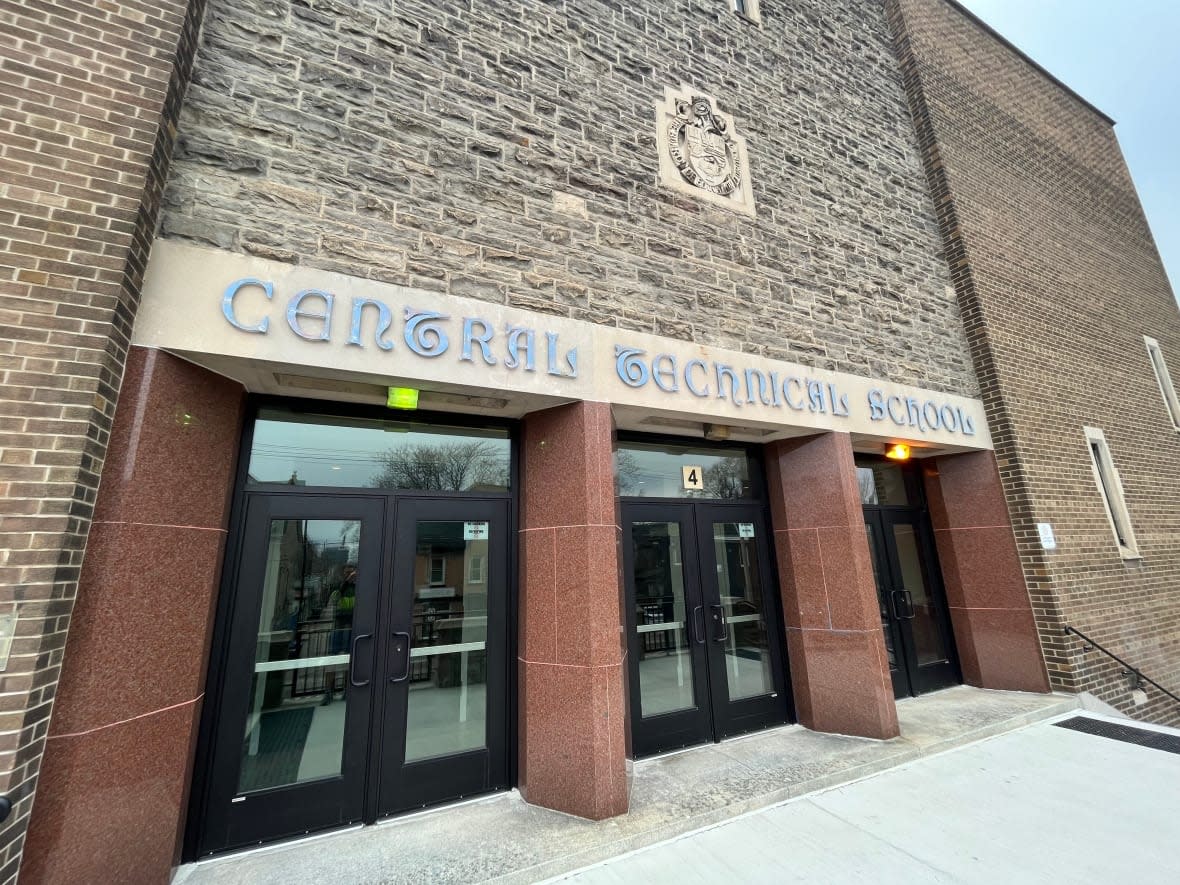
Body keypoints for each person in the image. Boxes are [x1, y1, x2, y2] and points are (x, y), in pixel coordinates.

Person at [323, 564, 357, 705]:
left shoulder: (357, 588)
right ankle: (328, 692)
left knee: (349, 659)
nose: (350, 575)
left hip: (351, 626)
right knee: (333, 659)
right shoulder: (339, 587)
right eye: (347, 573)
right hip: (339, 626)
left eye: (352, 572)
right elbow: (334, 600)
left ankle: (346, 689)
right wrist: (346, 582)